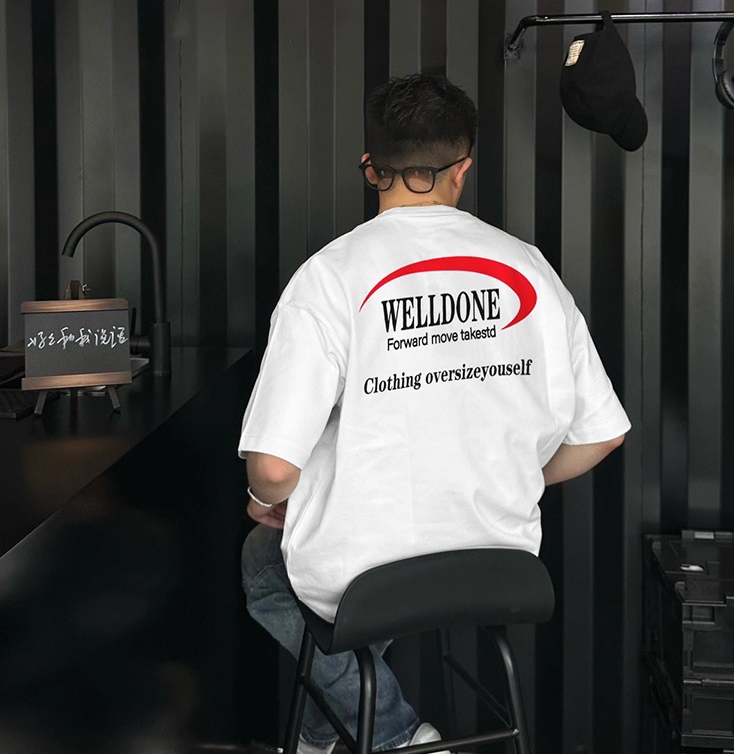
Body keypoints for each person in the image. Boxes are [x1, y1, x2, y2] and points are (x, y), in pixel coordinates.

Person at [239, 73, 631, 754]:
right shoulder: (528, 267)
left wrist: (265, 500)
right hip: (498, 559)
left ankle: (394, 735)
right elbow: (604, 434)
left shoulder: (329, 278)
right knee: (358, 581)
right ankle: (324, 736)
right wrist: (510, 475)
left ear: (371, 168)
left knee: (264, 566)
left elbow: (273, 470)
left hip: (365, 568)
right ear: (463, 170)